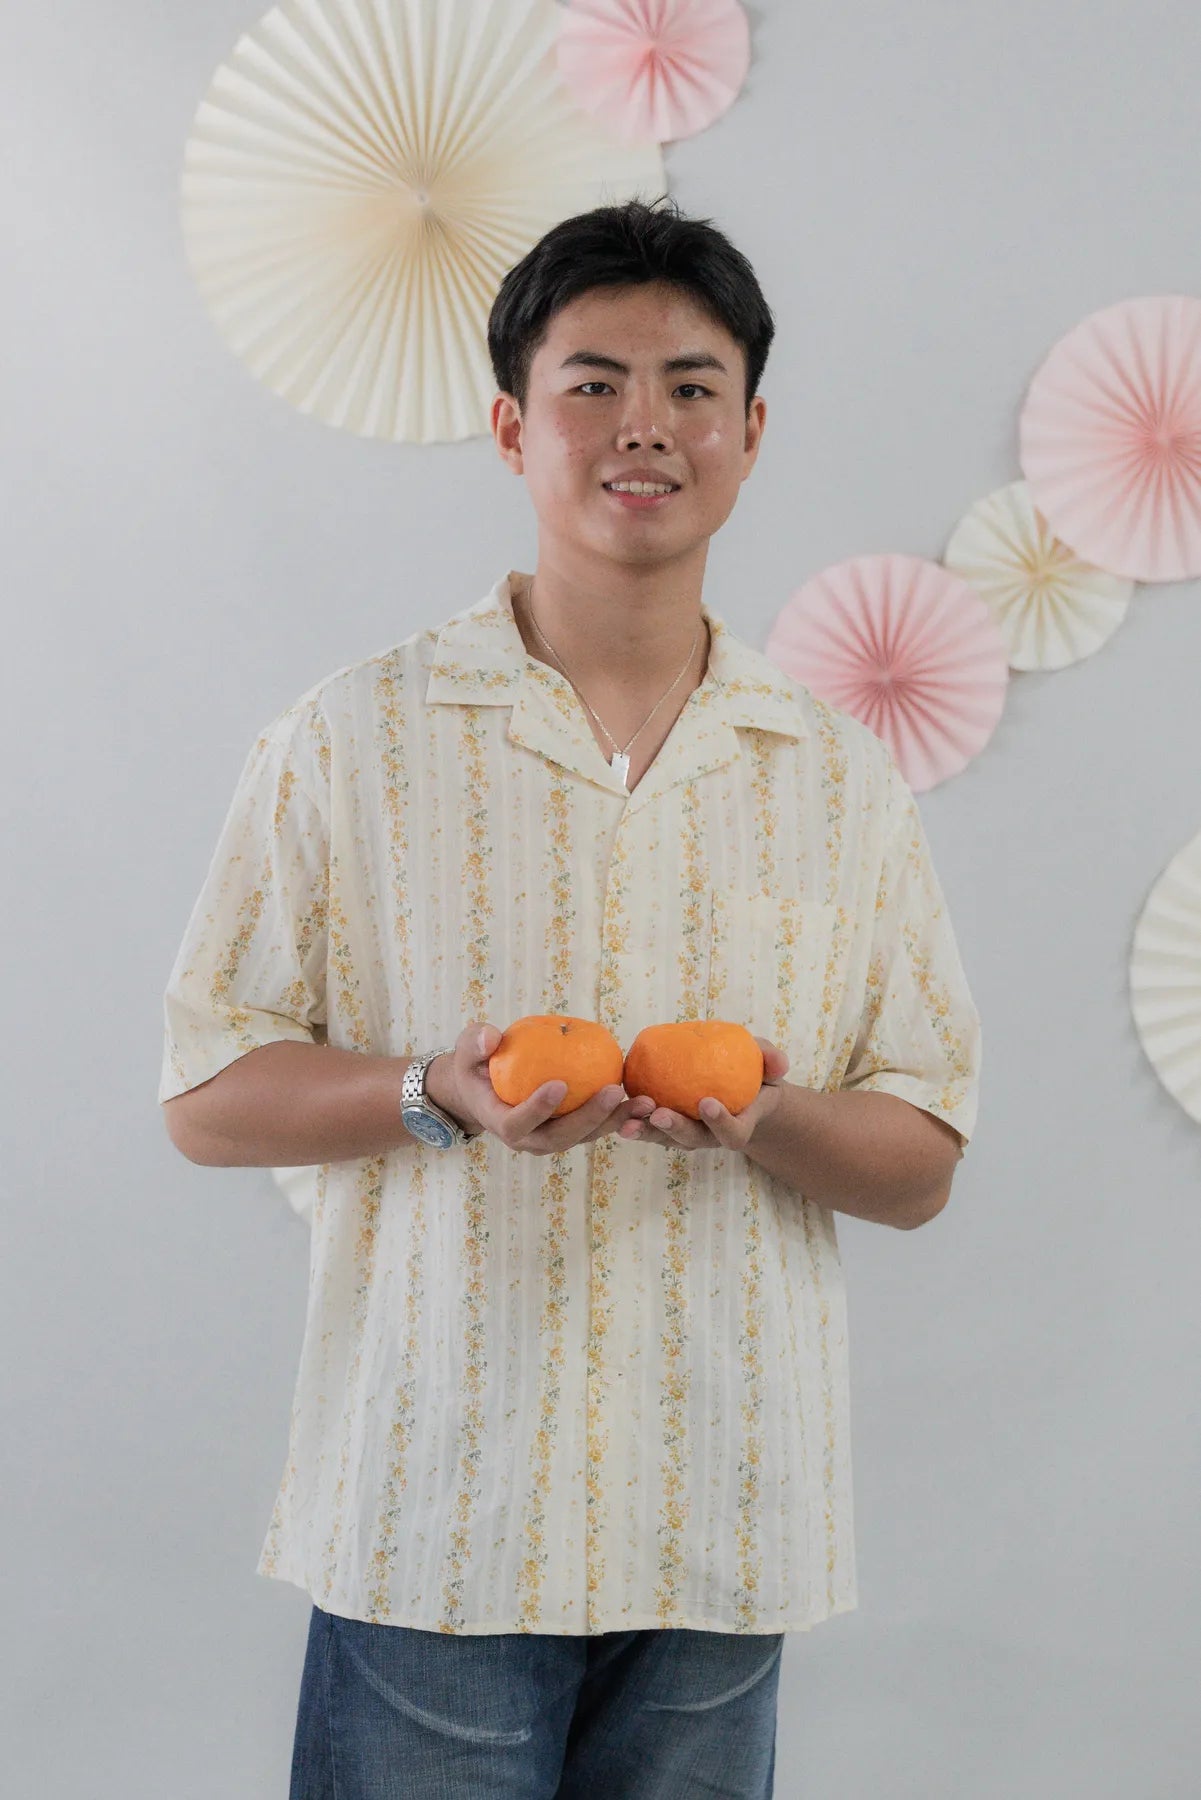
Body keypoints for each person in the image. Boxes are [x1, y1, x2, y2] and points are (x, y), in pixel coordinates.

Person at [158, 195, 982, 1799]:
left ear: (750, 433)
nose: (641, 425)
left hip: (722, 1523)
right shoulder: (354, 739)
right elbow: (205, 1093)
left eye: (689, 386)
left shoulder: (834, 775)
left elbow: (922, 1162)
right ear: (509, 428)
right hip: (435, 1519)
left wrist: (763, 1116)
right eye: (591, 383)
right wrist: (431, 1094)